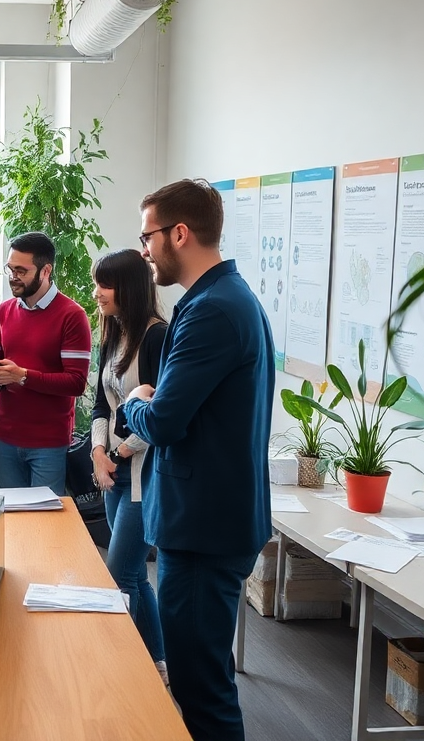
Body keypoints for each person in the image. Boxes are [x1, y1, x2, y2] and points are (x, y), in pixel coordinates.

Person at [121, 179, 274, 741]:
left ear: (178, 233)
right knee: (198, 679)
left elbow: (162, 421)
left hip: (205, 528)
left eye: (148, 236)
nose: (144, 250)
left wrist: (138, 402)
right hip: (210, 518)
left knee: (201, 690)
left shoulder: (212, 310)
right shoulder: (223, 298)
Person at [89, 249, 168, 681]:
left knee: (119, 574)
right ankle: (157, 664)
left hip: (143, 475)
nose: (97, 292)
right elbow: (103, 403)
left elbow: (161, 416)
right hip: (112, 472)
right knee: (136, 575)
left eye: (105, 284)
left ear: (130, 289)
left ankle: (121, 671)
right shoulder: (113, 332)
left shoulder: (157, 337)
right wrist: (98, 453)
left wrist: (119, 453)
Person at [0, 231, 92, 494]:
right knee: (13, 518)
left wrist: (21, 376)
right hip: (5, 437)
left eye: (22, 270)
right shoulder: (4, 311)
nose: (13, 276)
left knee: (45, 526)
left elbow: (76, 383)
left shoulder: (72, 316)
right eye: (10, 269)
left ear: (46, 271)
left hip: (48, 442)